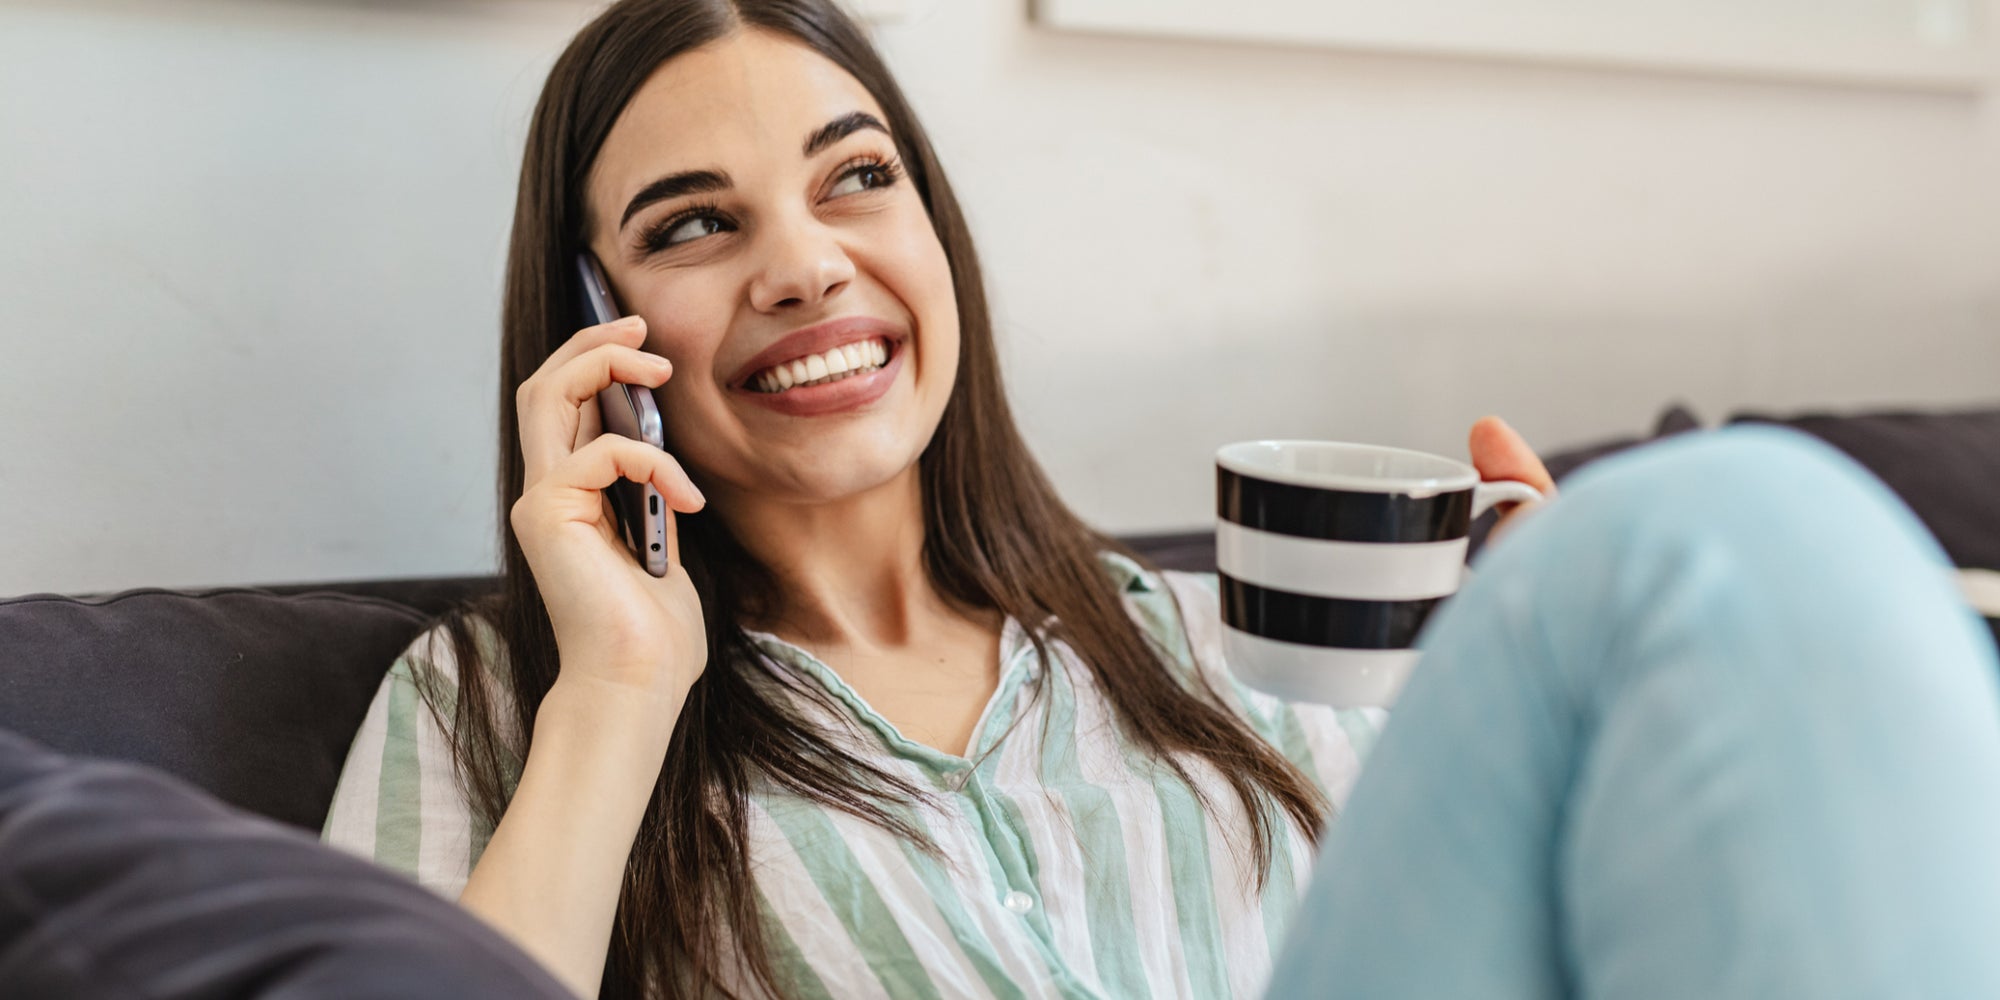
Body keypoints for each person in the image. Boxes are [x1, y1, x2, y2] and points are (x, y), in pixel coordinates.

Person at [318, 2, 2000, 999]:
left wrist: (1546, 695)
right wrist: (620, 683)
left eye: (858, 179)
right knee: (1730, 528)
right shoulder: (502, 711)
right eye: (696, 224)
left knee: (1718, 545)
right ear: (595, 332)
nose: (808, 264)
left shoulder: (1219, 650)